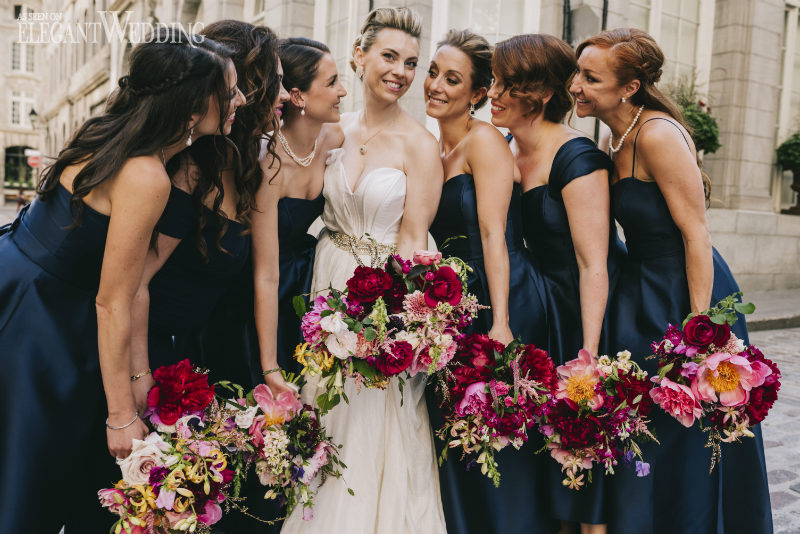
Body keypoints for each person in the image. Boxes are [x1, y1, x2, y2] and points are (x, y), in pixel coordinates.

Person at [0, 29, 234, 534]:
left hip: (16, 282)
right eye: (228, 90)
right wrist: (122, 415)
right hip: (41, 324)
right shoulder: (146, 175)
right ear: (194, 109)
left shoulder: (110, 131)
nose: (238, 99)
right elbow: (113, 301)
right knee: (24, 478)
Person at [572, 28, 773, 534]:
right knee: (649, 422)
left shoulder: (657, 135)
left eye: (590, 78)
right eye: (578, 72)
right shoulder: (612, 135)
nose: (576, 85)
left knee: (691, 424)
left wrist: (699, 333)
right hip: (640, 289)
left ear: (629, 88)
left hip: (686, 290)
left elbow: (697, 234)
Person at [280, 7, 446, 533]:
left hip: (381, 297)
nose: (400, 71)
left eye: (411, 62)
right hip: (324, 277)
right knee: (322, 407)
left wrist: (395, 325)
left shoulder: (421, 145)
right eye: (389, 56)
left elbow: (416, 241)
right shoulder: (333, 129)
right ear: (359, 55)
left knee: (373, 412)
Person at [488, 34, 626, 534]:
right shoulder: (500, 147)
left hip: (579, 312)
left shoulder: (577, 157)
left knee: (582, 465)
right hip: (533, 311)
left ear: (543, 94)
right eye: (495, 82)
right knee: (546, 464)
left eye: (508, 85)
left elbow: (595, 264)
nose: (494, 93)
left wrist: (589, 352)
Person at [423, 29, 556, 534]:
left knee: (497, 430)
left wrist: (501, 321)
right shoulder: (434, 145)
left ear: (477, 93)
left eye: (452, 78)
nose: (435, 84)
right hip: (454, 302)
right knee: (460, 430)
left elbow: (494, 234)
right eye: (434, 72)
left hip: (503, 293)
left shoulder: (484, 142)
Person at [251, 37, 346, 396]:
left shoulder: (335, 137)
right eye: (332, 82)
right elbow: (266, 274)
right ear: (298, 96)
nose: (343, 91)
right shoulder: (269, 164)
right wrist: (269, 363)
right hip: (265, 289)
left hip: (310, 279)